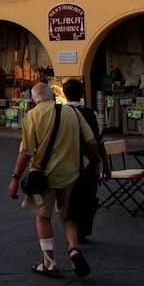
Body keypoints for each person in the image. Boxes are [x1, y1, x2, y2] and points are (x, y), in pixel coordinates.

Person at [8, 82, 98, 278]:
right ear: (53, 96)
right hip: (73, 172)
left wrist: (15, 178)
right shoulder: (72, 113)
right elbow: (92, 142)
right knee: (69, 215)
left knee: (43, 216)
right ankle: (73, 248)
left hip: (44, 175)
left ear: (34, 99)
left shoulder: (32, 116)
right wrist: (94, 166)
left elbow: (26, 151)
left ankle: (49, 263)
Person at [61, 79, 109, 244]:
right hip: (87, 164)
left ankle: (71, 231)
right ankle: (81, 231)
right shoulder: (91, 114)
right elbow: (98, 141)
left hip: (65, 163)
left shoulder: (59, 113)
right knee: (87, 198)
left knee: (68, 199)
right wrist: (104, 165)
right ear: (82, 94)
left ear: (64, 94)